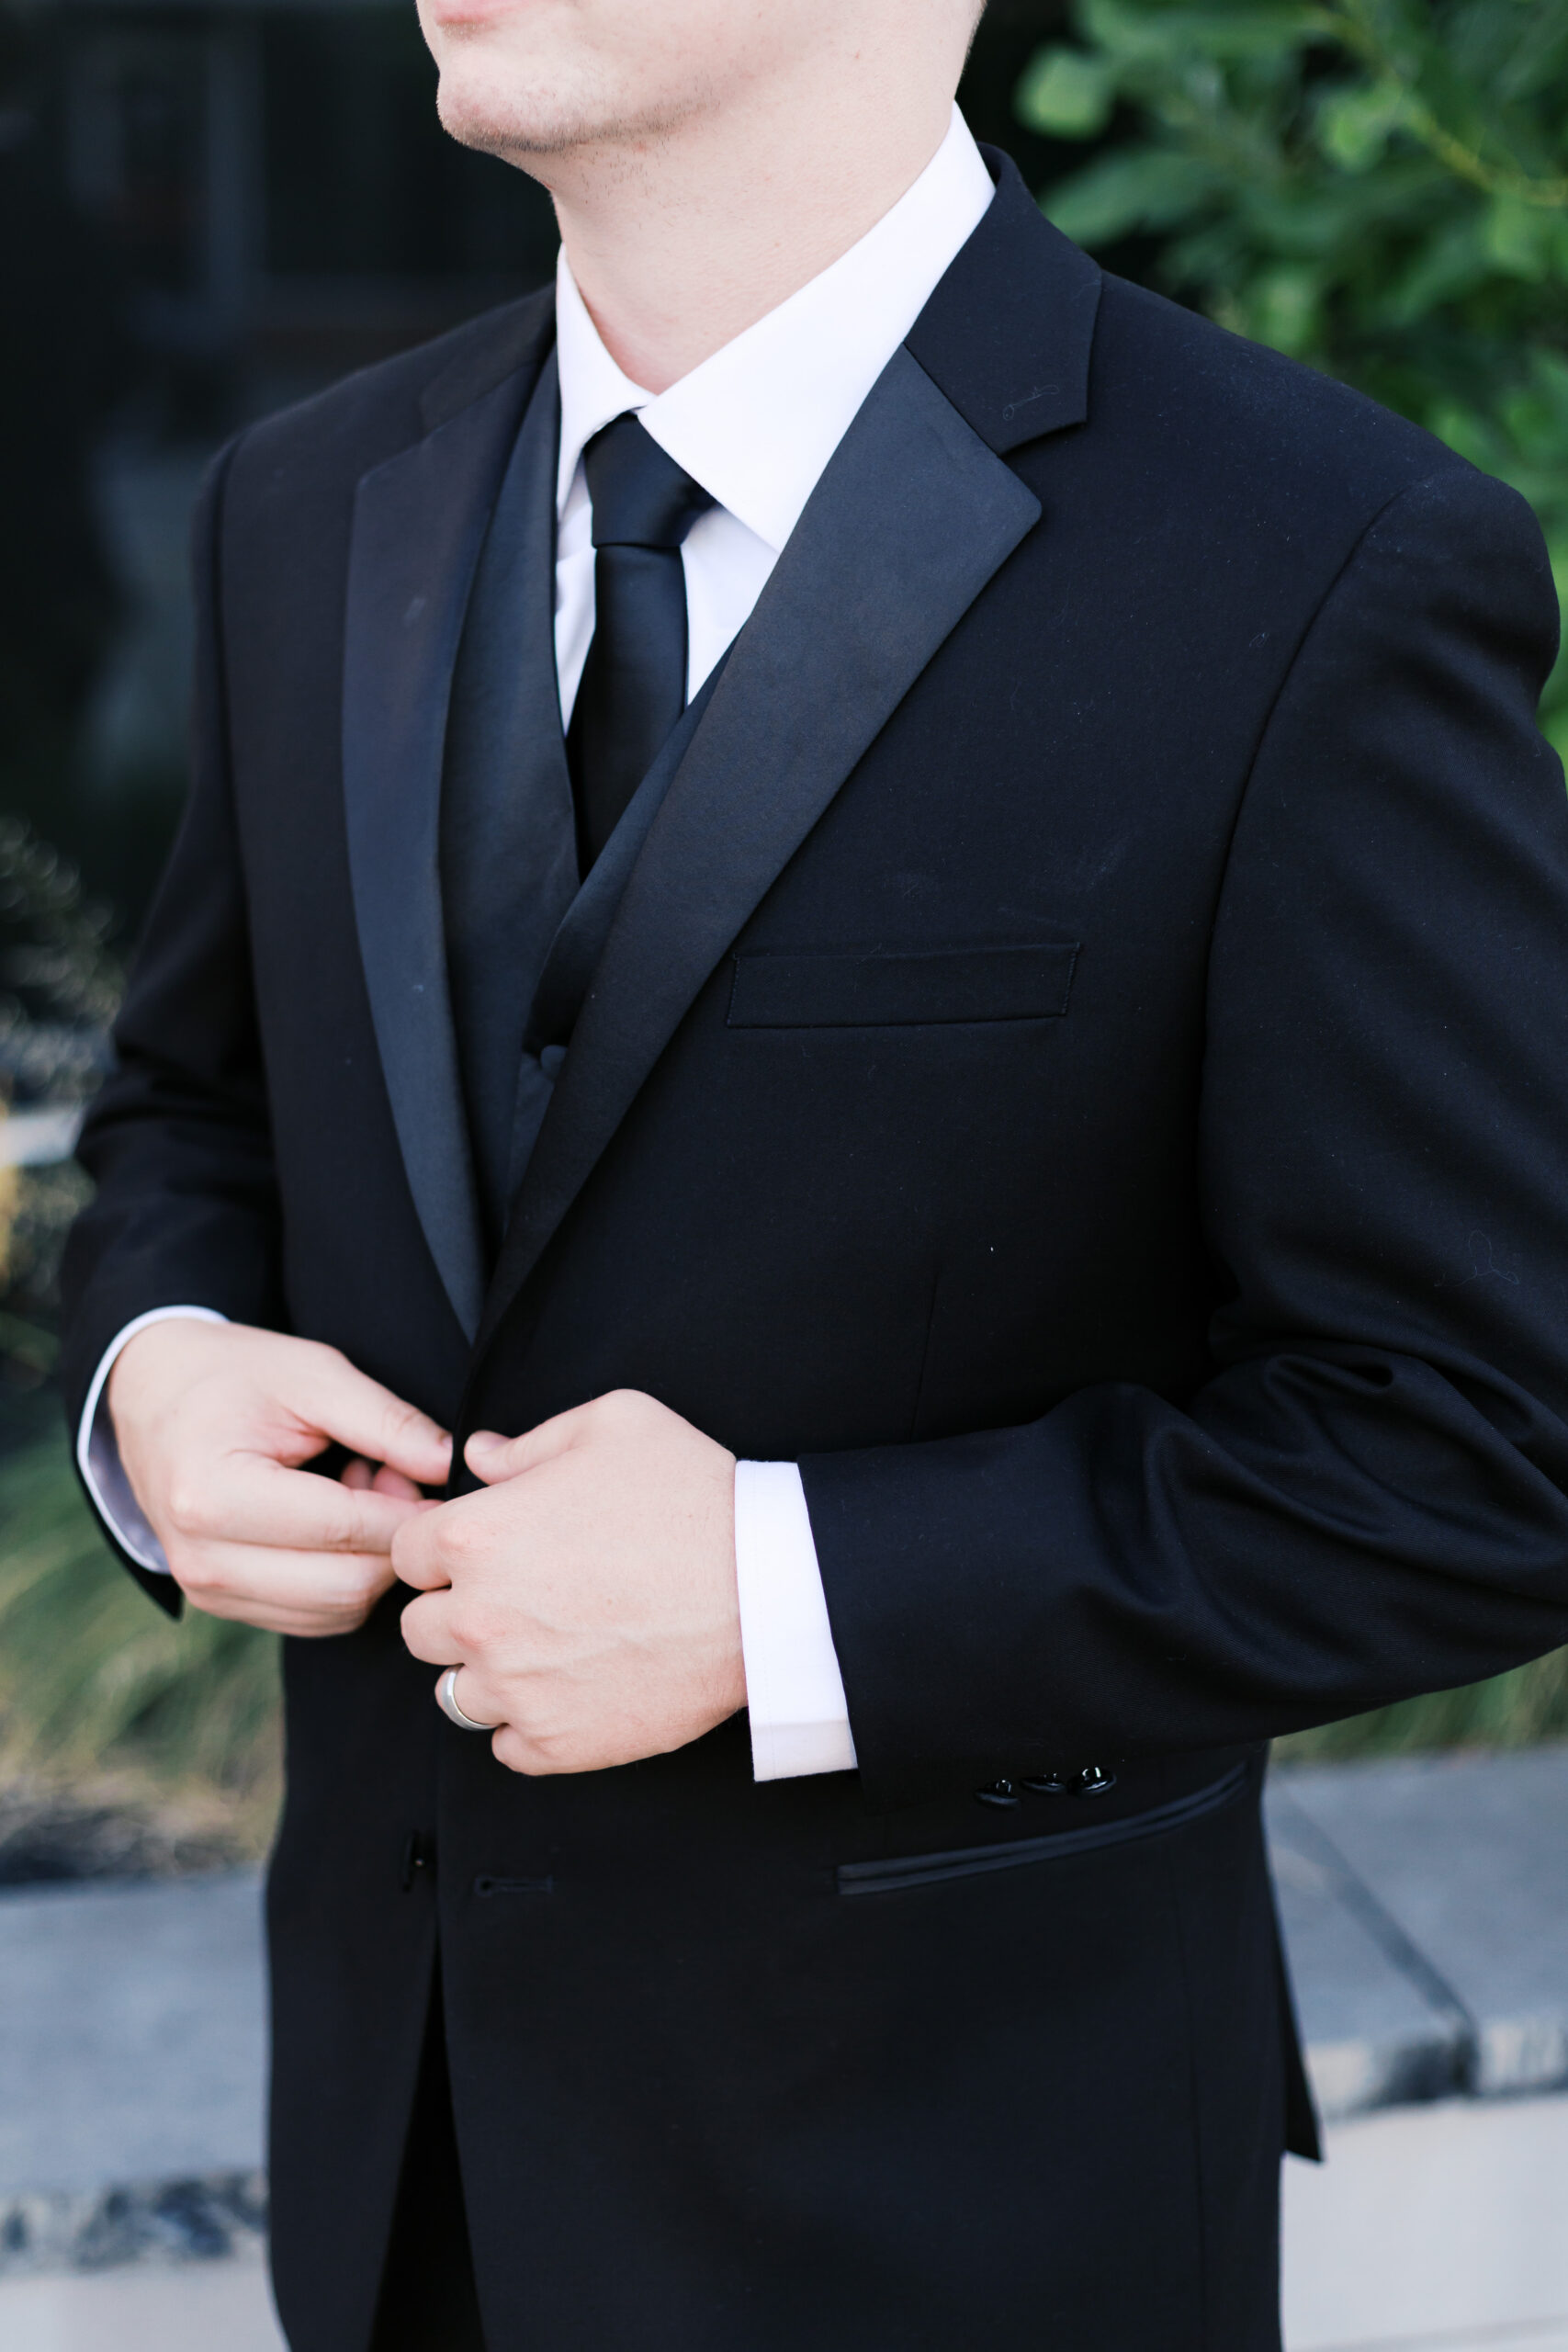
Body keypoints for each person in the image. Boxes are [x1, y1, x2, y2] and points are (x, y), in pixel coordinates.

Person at [61, 0, 1568, 2345]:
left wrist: (783, 1596)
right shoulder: (307, 501)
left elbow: (1491, 1443)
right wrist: (157, 1375)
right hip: (398, 2175)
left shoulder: (1314, 560)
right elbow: (198, 1103)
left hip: (962, 2213)